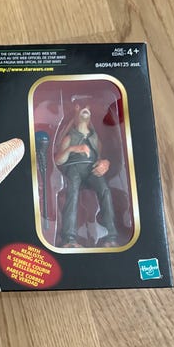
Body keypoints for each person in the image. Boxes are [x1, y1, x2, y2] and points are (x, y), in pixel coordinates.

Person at [55, 99, 118, 248]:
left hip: (92, 169)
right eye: (81, 107)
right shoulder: (69, 138)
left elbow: (100, 157)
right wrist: (72, 149)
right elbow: (58, 160)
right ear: (76, 111)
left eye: (87, 108)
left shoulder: (95, 139)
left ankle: (110, 237)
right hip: (74, 169)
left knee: (105, 190)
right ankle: (69, 239)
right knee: (72, 193)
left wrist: (105, 163)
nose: (85, 109)